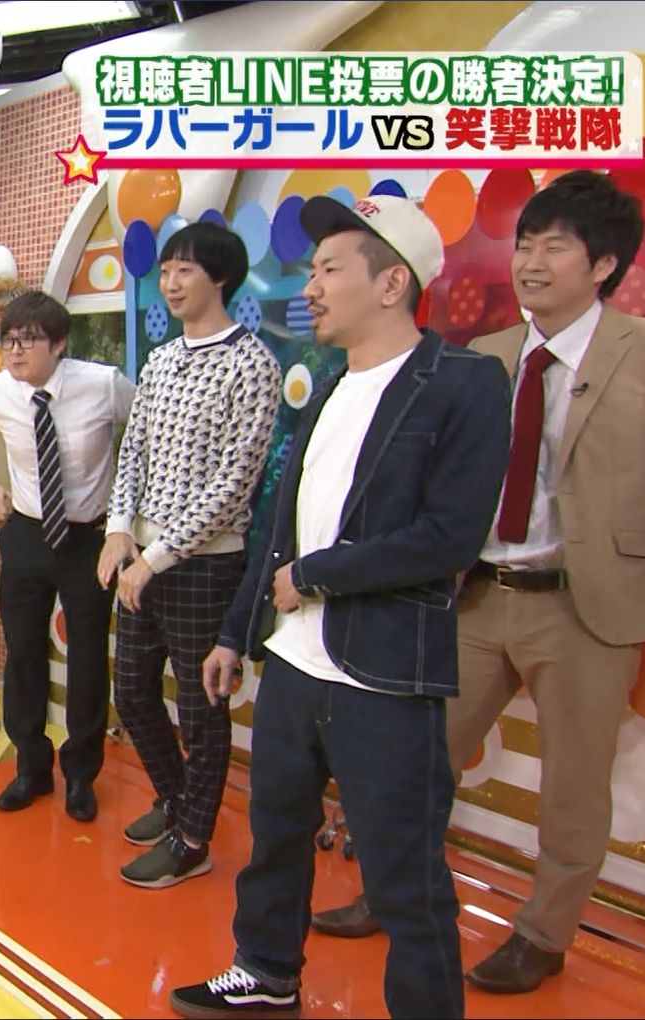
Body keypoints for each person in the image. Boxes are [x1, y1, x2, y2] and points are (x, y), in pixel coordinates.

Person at [311, 171, 645, 995]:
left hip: (586, 606)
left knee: (573, 790)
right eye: (525, 245)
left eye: (556, 248)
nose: (532, 263)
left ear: (604, 265)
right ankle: (396, 894)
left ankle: (543, 935)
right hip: (479, 596)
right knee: (416, 762)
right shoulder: (486, 358)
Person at [167, 195, 510, 1019]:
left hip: (383, 673)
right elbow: (277, 528)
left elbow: (449, 537)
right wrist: (235, 631)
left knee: (403, 873)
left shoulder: (462, 384)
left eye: (328, 269)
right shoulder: (325, 388)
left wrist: (316, 576)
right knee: (277, 836)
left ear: (392, 284)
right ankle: (266, 971)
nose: (310, 287)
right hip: (293, 661)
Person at [98, 223, 281, 889]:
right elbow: (134, 449)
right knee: (132, 692)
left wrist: (161, 555)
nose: (171, 283)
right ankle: (176, 801)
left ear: (220, 278)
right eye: (167, 271)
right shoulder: (161, 360)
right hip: (143, 556)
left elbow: (235, 482)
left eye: (186, 271)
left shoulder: (252, 364)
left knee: (201, 711)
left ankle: (194, 839)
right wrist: (120, 528)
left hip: (205, 562)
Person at [0, 290, 136, 822]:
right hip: (27, 533)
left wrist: (125, 519)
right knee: (24, 653)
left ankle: (80, 775)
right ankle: (31, 769)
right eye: (8, 339)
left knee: (87, 659)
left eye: (28, 340)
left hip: (88, 540)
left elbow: (145, 434)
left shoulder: (103, 385)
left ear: (59, 344)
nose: (14, 350)